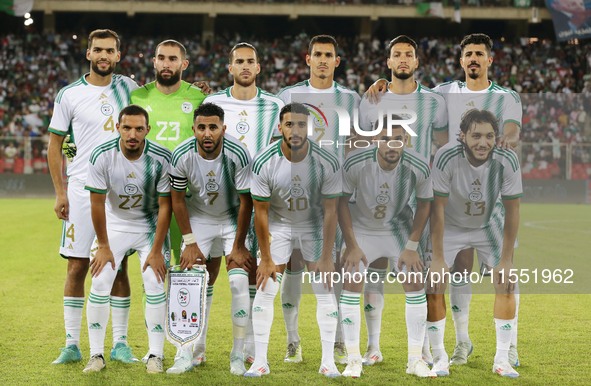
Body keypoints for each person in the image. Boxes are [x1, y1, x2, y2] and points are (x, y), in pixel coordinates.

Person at [367, 33, 522, 367]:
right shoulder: (443, 94)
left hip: (490, 196)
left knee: (503, 271)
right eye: (468, 54)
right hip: (448, 195)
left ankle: (509, 346)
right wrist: (383, 82)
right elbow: (407, 91)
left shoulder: (506, 97)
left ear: (490, 60)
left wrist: (505, 140)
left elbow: (511, 131)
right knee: (452, 270)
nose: (474, 59)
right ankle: (461, 342)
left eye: (480, 54)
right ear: (461, 59)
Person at [47, 29, 139, 365]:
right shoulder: (69, 94)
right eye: (98, 50)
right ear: (88, 53)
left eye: (110, 50)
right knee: (76, 266)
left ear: (118, 54)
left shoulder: (130, 89)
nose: (103, 55)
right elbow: (55, 145)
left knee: (120, 266)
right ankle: (71, 344)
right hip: (81, 191)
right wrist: (60, 192)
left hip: (119, 191)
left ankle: (121, 343)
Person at [357, 35, 447, 367]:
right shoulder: (372, 99)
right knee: (374, 271)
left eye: (409, 54)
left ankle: (422, 350)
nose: (404, 59)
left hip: (418, 197)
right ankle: (373, 346)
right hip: (379, 198)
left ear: (417, 61)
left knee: (418, 275)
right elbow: (362, 141)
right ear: (389, 63)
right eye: (397, 54)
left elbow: (444, 143)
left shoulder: (434, 102)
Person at [276, 34, 360, 365]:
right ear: (307, 59)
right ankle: (292, 341)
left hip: (336, 198)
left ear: (337, 61)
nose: (323, 59)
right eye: (318, 54)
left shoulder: (350, 99)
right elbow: (278, 140)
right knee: (293, 268)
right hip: (296, 196)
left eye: (329, 55)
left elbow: (356, 142)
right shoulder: (288, 95)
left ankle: (338, 340)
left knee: (333, 268)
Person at [202, 42, 284, 365]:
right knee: (206, 274)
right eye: (240, 61)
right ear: (230, 68)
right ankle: (196, 348)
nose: (245, 66)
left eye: (251, 61)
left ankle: (248, 347)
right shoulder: (213, 102)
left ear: (259, 67)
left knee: (252, 276)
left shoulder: (275, 105)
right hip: (217, 205)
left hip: (260, 204)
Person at [245, 103, 341, 378]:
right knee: (265, 289)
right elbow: (260, 214)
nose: (295, 130)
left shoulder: (326, 161)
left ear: (309, 128)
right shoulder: (265, 161)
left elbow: (331, 211)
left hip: (312, 226)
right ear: (280, 128)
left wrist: (325, 256)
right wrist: (265, 258)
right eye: (290, 124)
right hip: (278, 226)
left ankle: (327, 362)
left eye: (301, 124)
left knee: (325, 289)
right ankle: (260, 361)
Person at [428, 109, 521, 378]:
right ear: (463, 136)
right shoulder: (446, 156)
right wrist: (436, 258)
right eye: (476, 135)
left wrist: (506, 260)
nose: (483, 142)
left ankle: (503, 357)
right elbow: (438, 209)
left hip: (488, 224)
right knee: (433, 283)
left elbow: (513, 210)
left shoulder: (507, 159)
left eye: (490, 136)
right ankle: (440, 357)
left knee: (506, 280)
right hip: (452, 226)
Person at [338, 117, 435, 378]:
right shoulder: (355, 162)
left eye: (398, 139)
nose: (392, 145)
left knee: (415, 281)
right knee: (352, 280)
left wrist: (412, 246)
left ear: (406, 140)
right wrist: (352, 245)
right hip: (362, 229)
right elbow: (340, 202)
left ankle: (415, 360)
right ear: (374, 140)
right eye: (385, 139)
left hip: (397, 229)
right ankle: (353, 359)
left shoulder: (419, 165)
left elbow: (425, 204)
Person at [81, 104, 171, 373]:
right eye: (127, 127)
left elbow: (166, 206)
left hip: (149, 228)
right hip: (115, 227)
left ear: (147, 130)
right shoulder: (102, 155)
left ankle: (156, 354)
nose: (133, 134)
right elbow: (96, 204)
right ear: (118, 127)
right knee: (100, 280)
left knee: (154, 283)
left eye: (139, 128)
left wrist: (156, 249)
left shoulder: (161, 158)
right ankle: (96, 354)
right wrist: (104, 246)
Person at [167, 102, 252, 375]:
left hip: (231, 220)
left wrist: (238, 245)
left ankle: (237, 354)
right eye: (201, 127)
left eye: (213, 127)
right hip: (199, 220)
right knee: (192, 283)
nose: (207, 133)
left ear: (223, 129)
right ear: (193, 129)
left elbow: (246, 201)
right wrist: (190, 241)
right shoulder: (181, 154)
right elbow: (177, 201)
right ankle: (188, 351)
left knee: (239, 282)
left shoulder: (238, 152)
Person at [130, 39, 208, 268]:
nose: (166, 63)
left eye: (173, 59)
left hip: (187, 194)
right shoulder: (137, 98)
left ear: (184, 64)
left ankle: (184, 305)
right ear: (154, 62)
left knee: (189, 264)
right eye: (162, 58)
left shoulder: (199, 98)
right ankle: (154, 304)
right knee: (152, 266)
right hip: (150, 193)